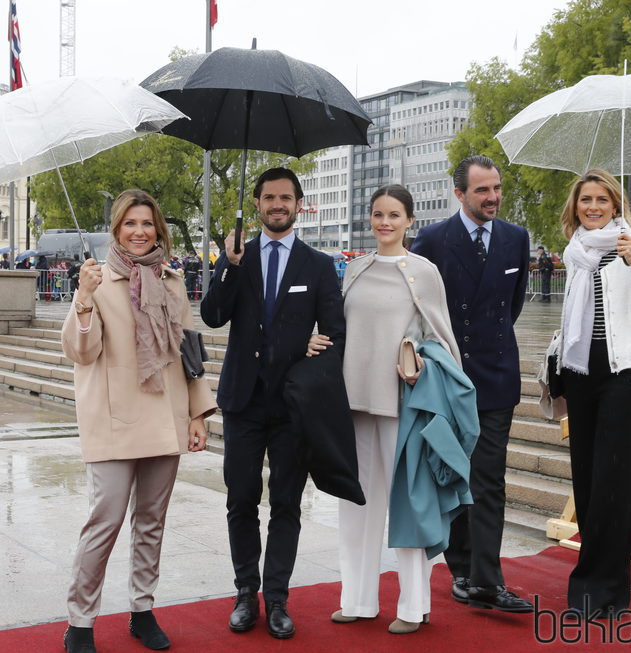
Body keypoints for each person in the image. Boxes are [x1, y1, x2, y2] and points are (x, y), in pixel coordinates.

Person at [61, 189, 216, 653]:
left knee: (152, 522)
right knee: (103, 523)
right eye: (130, 223)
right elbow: (80, 352)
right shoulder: (97, 281)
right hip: (113, 418)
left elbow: (190, 351)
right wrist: (83, 298)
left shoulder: (171, 281)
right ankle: (80, 621)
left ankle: (142, 610)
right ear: (116, 229)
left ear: (158, 229)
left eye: (147, 223)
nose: (139, 232)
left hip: (165, 417)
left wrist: (198, 413)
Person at [308, 185, 466, 634]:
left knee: (408, 504)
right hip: (353, 403)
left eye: (394, 215)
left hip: (403, 405)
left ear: (409, 221)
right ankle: (357, 599)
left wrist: (418, 357)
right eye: (378, 214)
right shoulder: (353, 270)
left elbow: (442, 340)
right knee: (355, 503)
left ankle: (414, 606)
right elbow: (337, 329)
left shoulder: (425, 272)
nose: (385, 222)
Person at [200, 167, 345, 639]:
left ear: (299, 204)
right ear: (258, 204)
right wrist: (228, 263)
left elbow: (334, 334)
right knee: (240, 499)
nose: (277, 204)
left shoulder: (318, 266)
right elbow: (213, 315)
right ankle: (246, 593)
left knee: (285, 503)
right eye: (269, 197)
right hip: (243, 402)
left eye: (285, 197)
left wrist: (306, 351)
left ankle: (278, 599)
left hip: (291, 406)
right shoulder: (239, 257)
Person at [411, 155, 533, 613]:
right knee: (455, 474)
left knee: (488, 478)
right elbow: (418, 302)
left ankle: (485, 578)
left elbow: (512, 304)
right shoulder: (435, 239)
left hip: (497, 376)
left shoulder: (516, 238)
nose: (493, 197)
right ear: (459, 194)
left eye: (497, 188)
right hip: (449, 378)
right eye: (482, 190)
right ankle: (461, 567)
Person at [554, 169, 631, 616]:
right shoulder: (574, 251)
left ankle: (610, 588)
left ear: (616, 205)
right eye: (586, 200)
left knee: (616, 482)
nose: (594, 207)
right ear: (576, 206)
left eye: (603, 199)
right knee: (585, 476)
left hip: (624, 374)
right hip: (581, 373)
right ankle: (586, 583)